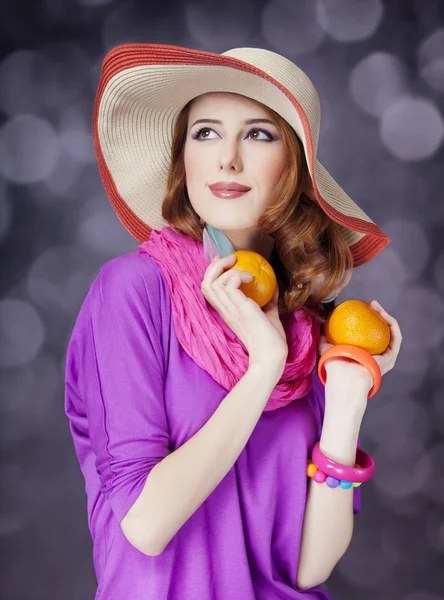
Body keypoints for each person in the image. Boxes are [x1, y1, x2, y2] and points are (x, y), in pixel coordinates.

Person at [64, 44, 402, 599]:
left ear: (295, 168)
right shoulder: (133, 291)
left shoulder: (311, 331)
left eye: (258, 134)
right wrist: (262, 368)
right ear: (183, 162)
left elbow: (308, 568)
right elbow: (145, 526)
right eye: (206, 133)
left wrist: (345, 399)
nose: (228, 159)